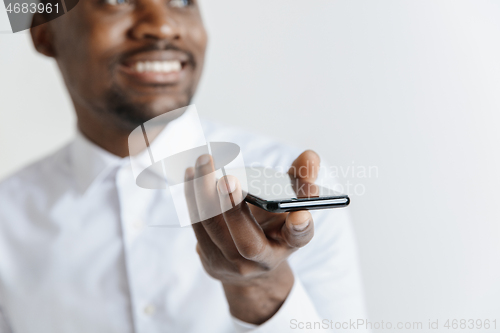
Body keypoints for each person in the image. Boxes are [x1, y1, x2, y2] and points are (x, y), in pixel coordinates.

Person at [0, 0, 367, 332]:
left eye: (182, 0)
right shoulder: (7, 218)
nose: (162, 26)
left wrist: (261, 291)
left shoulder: (294, 187)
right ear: (43, 31)